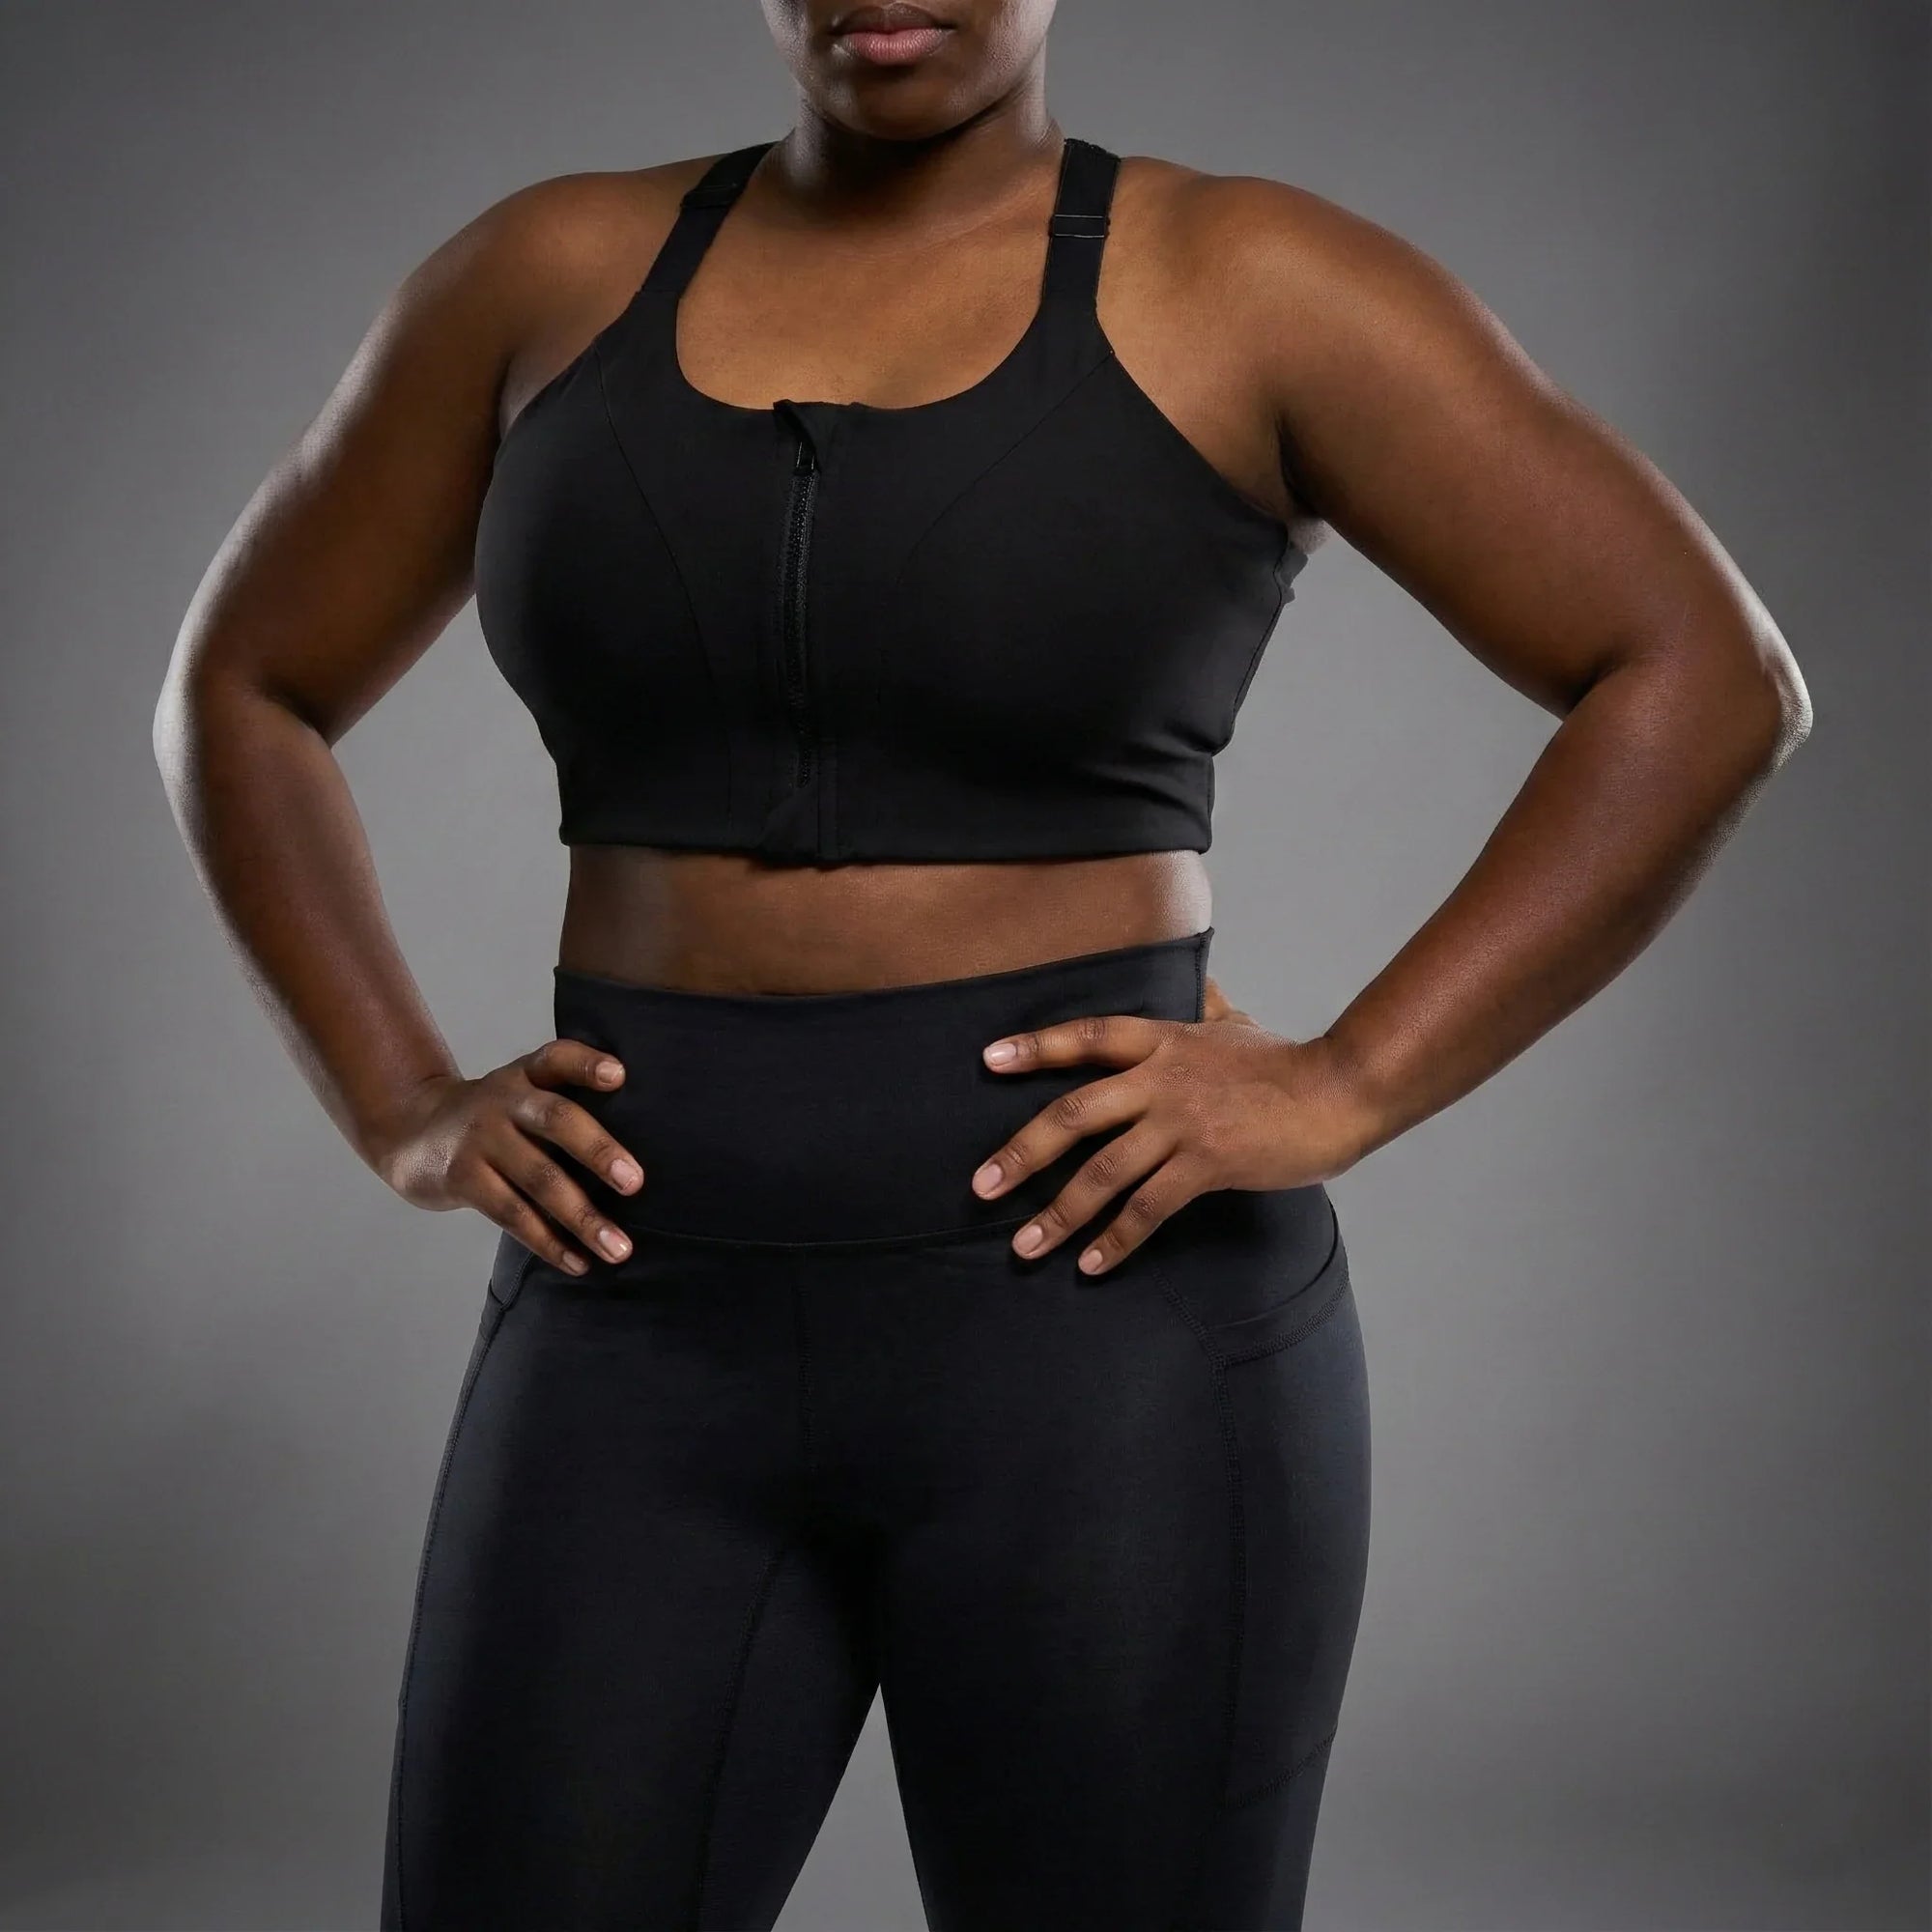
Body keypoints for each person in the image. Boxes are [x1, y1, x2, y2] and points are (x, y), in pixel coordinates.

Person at [152, 2, 1810, 1926]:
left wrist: (1350, 1079)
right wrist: (397, 1104)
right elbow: (246, 685)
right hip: (632, 1318)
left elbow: (1700, 677)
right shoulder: (540, 280)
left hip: (1105, 1337)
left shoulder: (1252, 282)